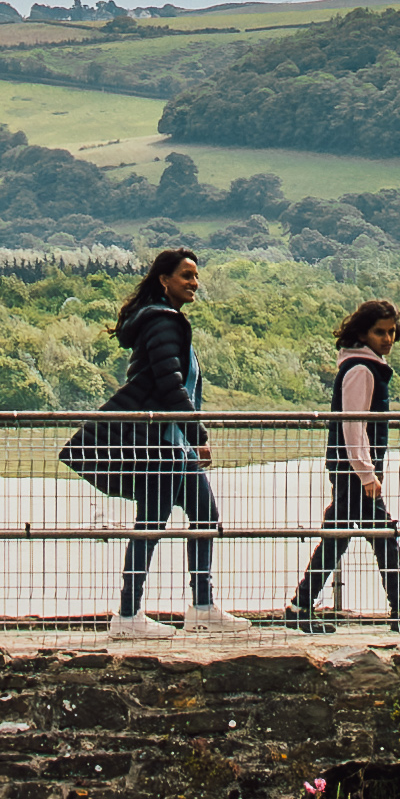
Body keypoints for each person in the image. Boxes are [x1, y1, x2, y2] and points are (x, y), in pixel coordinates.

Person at [280, 297, 400, 626]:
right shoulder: (361, 369)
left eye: (392, 332)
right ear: (363, 334)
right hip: (354, 470)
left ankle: (302, 606)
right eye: (379, 332)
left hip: (352, 469)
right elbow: (353, 425)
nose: (387, 339)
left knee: (345, 534)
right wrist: (367, 473)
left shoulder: (363, 365)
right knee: (377, 533)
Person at [102, 248, 225, 624]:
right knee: (151, 524)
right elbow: (171, 383)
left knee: (205, 516)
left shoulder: (165, 321)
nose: (194, 283)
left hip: (176, 443)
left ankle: (203, 609)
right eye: (186, 275)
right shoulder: (163, 322)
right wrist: (197, 432)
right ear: (164, 281)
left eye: (195, 276)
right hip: (162, 444)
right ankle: (128, 615)